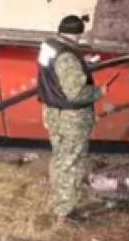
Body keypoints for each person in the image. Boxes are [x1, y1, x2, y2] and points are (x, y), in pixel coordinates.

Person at [36, 15, 103, 225]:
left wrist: (82, 63)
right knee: (71, 162)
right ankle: (65, 211)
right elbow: (76, 93)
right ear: (78, 34)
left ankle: (59, 201)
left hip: (52, 113)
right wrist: (99, 92)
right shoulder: (67, 57)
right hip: (70, 119)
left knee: (60, 158)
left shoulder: (49, 45)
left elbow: (55, 71)